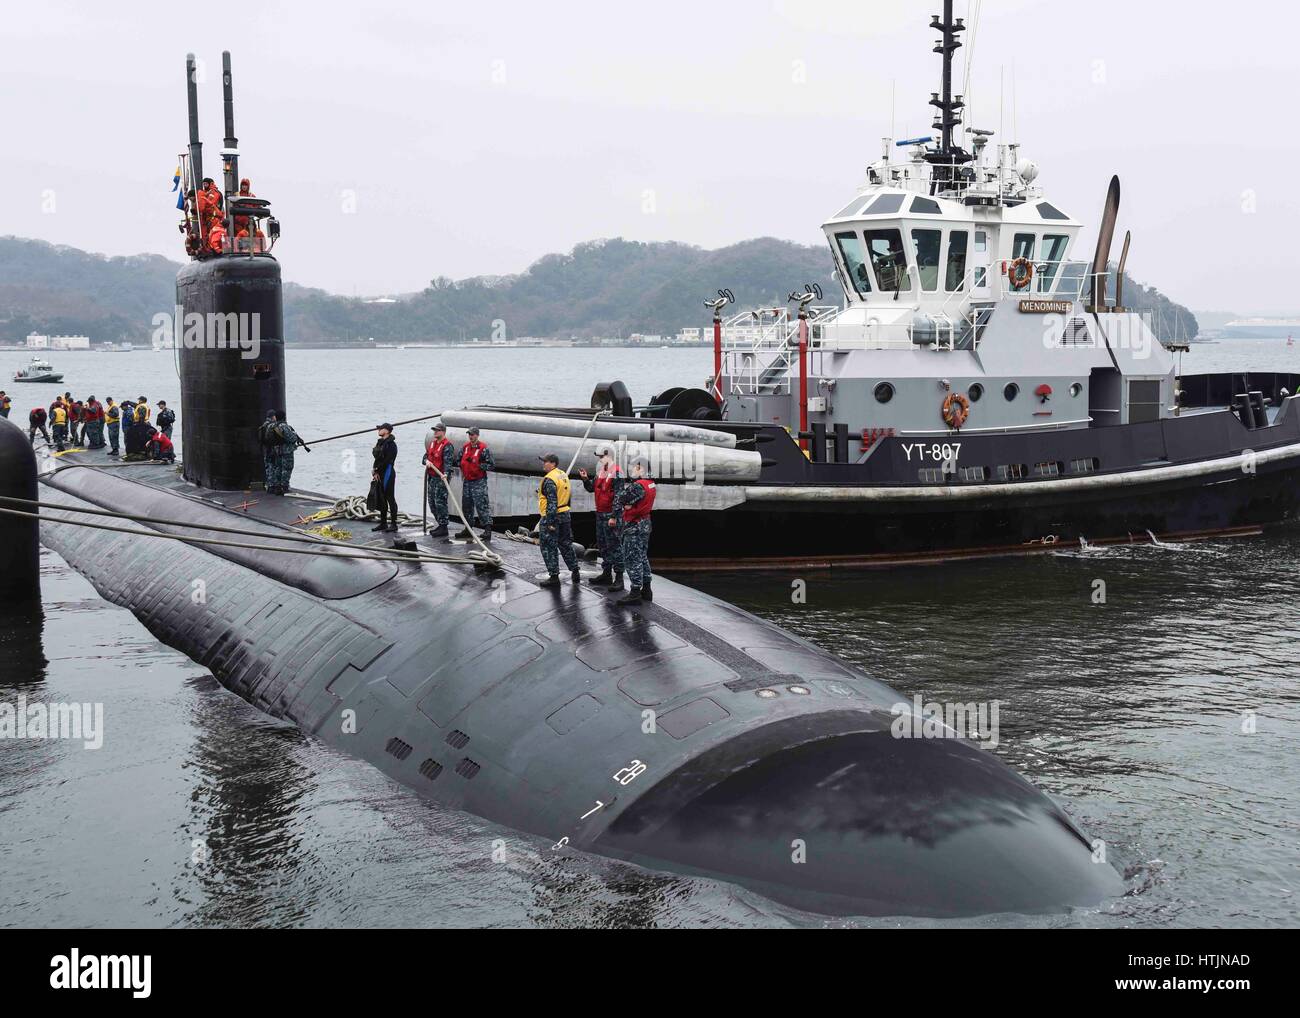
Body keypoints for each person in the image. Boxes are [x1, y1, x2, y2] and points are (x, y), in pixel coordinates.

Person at [609, 455, 657, 606]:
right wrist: (629, 504)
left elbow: (620, 498)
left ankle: (635, 591)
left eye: (633, 467)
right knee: (642, 556)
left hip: (634, 526)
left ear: (640, 468)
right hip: (645, 523)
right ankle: (647, 589)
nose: (631, 471)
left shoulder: (638, 486)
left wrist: (627, 504)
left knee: (631, 558)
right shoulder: (651, 484)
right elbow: (629, 502)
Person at [578, 444, 624, 589]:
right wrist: (585, 479)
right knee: (603, 545)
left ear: (609, 455)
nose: (600, 459)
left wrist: (614, 516)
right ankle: (606, 573)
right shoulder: (601, 472)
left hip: (611, 515)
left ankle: (619, 579)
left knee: (615, 547)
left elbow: (619, 497)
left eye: (602, 457)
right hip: (600, 514)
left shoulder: (617, 472)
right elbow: (592, 488)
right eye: (599, 457)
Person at [536, 453, 580, 587]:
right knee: (566, 544)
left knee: (549, 546)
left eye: (545, 462)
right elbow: (567, 495)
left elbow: (552, 502)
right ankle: (575, 570)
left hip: (553, 516)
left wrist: (550, 522)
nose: (543, 464)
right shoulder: (563, 475)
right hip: (565, 513)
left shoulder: (549, 479)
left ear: (553, 463)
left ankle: (554, 576)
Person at [455, 426, 494, 543]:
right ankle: (468, 528)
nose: (471, 437)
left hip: (479, 481)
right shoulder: (465, 447)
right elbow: (458, 460)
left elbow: (491, 465)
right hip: (467, 481)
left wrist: (478, 464)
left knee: (481, 505)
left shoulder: (483, 449)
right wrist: (462, 465)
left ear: (477, 435)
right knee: (466, 506)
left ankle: (487, 530)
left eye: (473, 435)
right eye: (469, 435)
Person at [422, 422, 457, 540]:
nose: (435, 432)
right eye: (434, 430)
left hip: (441, 478)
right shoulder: (432, 444)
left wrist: (445, 475)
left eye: (437, 430)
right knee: (431, 503)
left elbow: (448, 464)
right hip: (432, 477)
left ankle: (443, 526)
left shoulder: (447, 446)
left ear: (443, 432)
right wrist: (426, 461)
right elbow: (424, 457)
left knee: (440, 502)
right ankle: (440, 523)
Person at [257, 410, 300, 495]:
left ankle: (275, 486)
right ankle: (284, 487)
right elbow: (291, 438)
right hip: (286, 450)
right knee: (286, 468)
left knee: (277, 468)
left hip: (275, 450)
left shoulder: (271, 426)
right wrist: (295, 435)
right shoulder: (283, 426)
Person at [371, 423, 399, 532]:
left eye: (380, 428)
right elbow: (377, 459)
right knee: (381, 498)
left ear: (387, 431)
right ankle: (383, 523)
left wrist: (377, 470)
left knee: (390, 498)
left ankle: (394, 524)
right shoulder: (380, 443)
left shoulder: (391, 445)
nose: (378, 430)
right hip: (380, 473)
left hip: (388, 473)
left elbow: (387, 460)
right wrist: (375, 470)